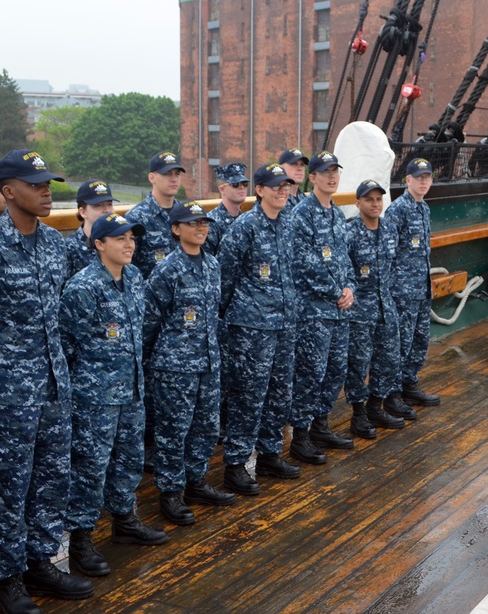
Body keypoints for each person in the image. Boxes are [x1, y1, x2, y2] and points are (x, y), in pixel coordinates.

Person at [0, 149, 93, 614]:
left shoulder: (56, 245)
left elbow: (58, 318)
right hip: (4, 395)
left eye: (49, 184)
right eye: (35, 184)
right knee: (4, 490)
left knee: (50, 482)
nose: (45, 192)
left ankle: (41, 562)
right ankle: (9, 577)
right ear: (8, 189)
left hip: (54, 389)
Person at [59, 213, 167, 578]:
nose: (129, 244)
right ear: (99, 244)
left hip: (131, 390)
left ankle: (124, 520)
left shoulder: (135, 278)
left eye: (132, 238)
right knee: (90, 468)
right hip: (95, 397)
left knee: (129, 459)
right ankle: (81, 540)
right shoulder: (82, 288)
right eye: (119, 238)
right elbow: (66, 346)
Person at [144, 201, 238, 524]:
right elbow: (149, 319)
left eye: (205, 223)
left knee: (207, 426)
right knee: (173, 430)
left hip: (208, 362)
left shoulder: (212, 265)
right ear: (175, 228)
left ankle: (195, 481)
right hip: (175, 366)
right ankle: (171, 493)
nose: (201, 228)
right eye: (193, 223)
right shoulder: (167, 269)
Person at [217, 163, 302, 493]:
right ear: (260, 190)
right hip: (251, 328)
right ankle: (236, 465)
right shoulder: (245, 227)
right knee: (247, 396)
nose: (283, 191)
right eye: (276, 186)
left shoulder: (288, 224)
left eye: (287, 186)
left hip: (284, 325)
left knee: (280, 393)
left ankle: (269, 455)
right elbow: (225, 277)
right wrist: (228, 319)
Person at [287, 151, 356, 464]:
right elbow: (303, 262)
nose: (332, 176)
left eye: (335, 171)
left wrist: (350, 287)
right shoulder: (302, 214)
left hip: (339, 309)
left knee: (335, 370)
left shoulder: (337, 214)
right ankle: (300, 436)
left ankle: (320, 425)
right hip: (314, 311)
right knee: (310, 372)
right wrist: (334, 291)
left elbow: (345, 258)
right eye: (325, 171)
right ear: (311, 177)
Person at [344, 180, 406, 438]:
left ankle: (376, 407)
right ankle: (358, 415)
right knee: (358, 364)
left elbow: (395, 268)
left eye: (379, 199)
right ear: (358, 204)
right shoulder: (349, 233)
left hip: (386, 308)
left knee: (388, 359)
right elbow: (345, 272)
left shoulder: (390, 230)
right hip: (360, 312)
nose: (375, 204)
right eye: (369, 199)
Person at [383, 157, 441, 420]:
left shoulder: (424, 208)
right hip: (403, 290)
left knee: (419, 341)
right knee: (400, 343)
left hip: (421, 288)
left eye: (427, 177)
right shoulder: (398, 210)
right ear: (407, 180)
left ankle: (409, 384)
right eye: (419, 177)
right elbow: (388, 253)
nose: (424, 181)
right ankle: (392, 393)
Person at [125, 151, 186, 278]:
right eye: (167, 173)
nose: (174, 178)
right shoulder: (136, 217)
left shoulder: (185, 214)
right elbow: (127, 266)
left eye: (177, 174)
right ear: (152, 177)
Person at [67, 178, 118, 276]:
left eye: (110, 204)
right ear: (83, 212)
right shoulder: (69, 249)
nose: (107, 210)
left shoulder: (119, 243)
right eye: (98, 205)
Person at [206, 162, 248, 256]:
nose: (242, 188)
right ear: (222, 189)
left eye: (245, 184)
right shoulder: (211, 222)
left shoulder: (246, 219)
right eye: (235, 185)